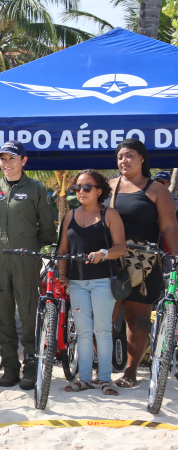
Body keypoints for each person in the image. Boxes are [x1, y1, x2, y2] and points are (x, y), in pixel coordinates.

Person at [0, 140, 57, 389]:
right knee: (1, 311)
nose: (7, 163)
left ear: (24, 161)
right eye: (3, 159)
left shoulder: (36, 188)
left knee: (27, 309)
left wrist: (34, 244)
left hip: (26, 256)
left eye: (12, 158)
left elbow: (47, 226)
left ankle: (31, 364)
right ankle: (11, 365)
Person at [107, 139, 178, 388]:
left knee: (136, 318)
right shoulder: (107, 187)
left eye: (129, 156)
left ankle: (130, 371)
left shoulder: (157, 190)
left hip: (144, 263)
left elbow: (169, 225)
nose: (123, 161)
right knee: (103, 317)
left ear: (142, 159)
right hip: (109, 262)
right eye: (120, 157)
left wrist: (175, 255)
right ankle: (102, 369)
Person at [57, 169, 125, 396]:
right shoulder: (70, 215)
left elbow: (121, 248)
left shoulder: (110, 214)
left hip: (102, 281)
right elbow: (63, 250)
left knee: (103, 330)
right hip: (76, 283)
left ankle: (105, 379)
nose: (81, 191)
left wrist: (104, 253)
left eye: (87, 187)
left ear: (99, 191)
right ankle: (84, 379)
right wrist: (62, 275)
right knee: (83, 332)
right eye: (77, 187)